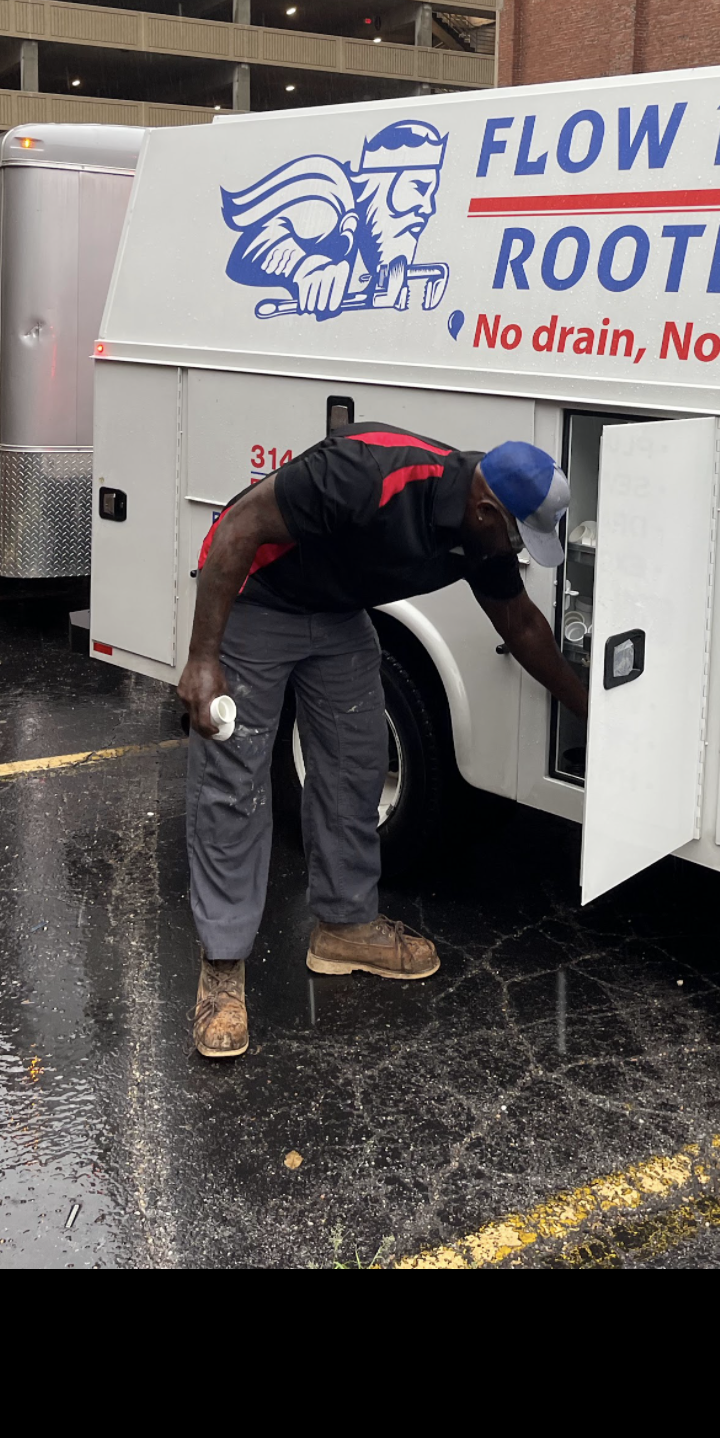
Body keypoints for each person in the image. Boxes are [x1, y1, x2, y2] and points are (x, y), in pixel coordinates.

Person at [177, 422, 589, 1058]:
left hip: (338, 614)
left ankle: (344, 927)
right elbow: (237, 528)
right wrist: (204, 658)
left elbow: (524, 626)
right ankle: (223, 968)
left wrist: (593, 710)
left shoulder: (478, 532)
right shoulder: (370, 474)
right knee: (236, 780)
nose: (518, 553)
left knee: (355, 763)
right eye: (518, 537)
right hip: (259, 596)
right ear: (487, 510)